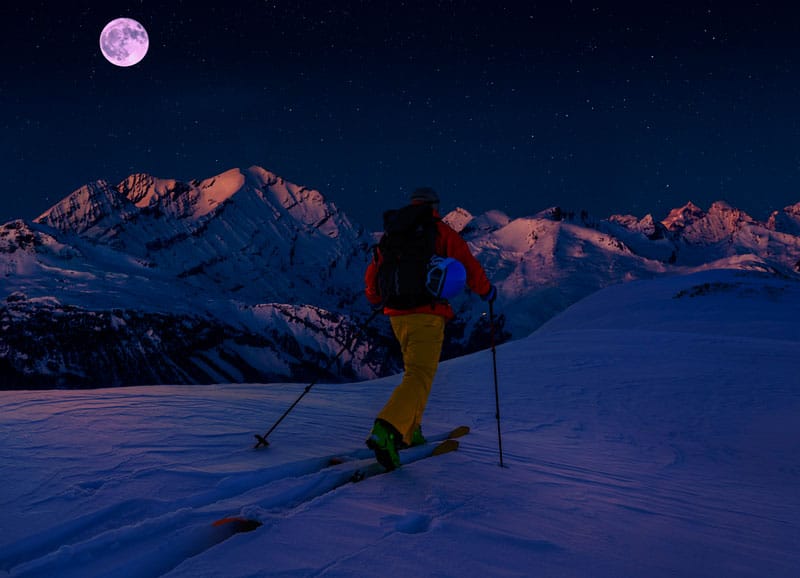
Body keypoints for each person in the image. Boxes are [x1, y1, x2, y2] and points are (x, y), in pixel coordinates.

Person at [364, 187, 497, 469]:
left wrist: (378, 299)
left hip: (396, 315)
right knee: (419, 375)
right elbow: (469, 266)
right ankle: (386, 429)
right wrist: (487, 292)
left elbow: (374, 272)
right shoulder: (440, 232)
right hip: (427, 313)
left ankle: (410, 431)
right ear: (435, 206)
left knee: (416, 373)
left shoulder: (393, 234)